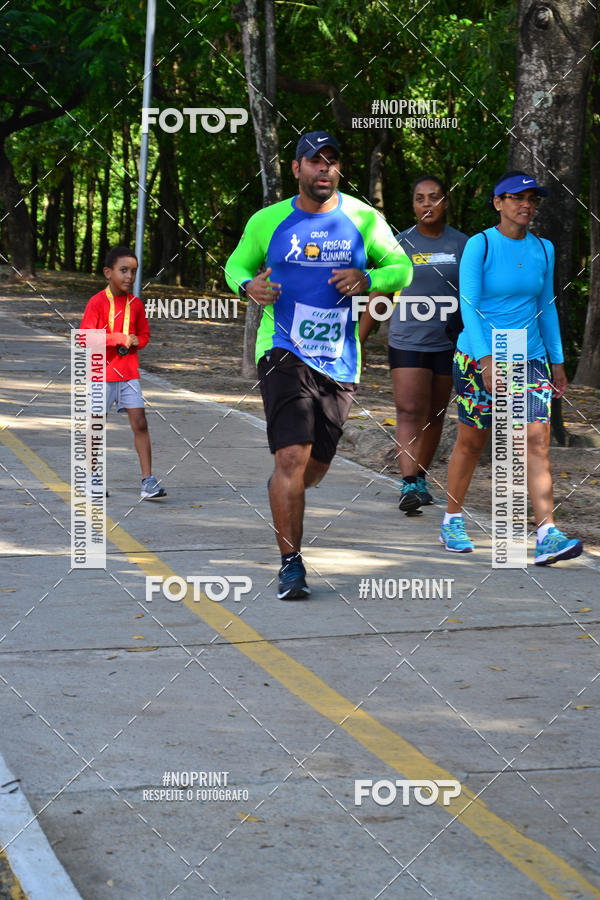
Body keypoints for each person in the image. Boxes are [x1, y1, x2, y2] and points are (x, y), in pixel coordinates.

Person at [225, 131, 413, 599]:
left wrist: (368, 276)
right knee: (291, 456)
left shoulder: (363, 218)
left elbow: (403, 268)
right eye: (314, 161)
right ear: (297, 169)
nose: (324, 169)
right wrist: (248, 286)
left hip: (339, 359)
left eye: (331, 161)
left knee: (311, 471)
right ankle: (291, 564)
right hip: (283, 347)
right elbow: (234, 266)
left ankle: (282, 491)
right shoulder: (268, 221)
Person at [440, 171, 582, 565]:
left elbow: (546, 305)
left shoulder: (544, 248)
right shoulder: (480, 245)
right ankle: (452, 519)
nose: (527, 204)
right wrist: (486, 360)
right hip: (477, 357)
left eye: (533, 198)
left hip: (529, 357)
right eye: (517, 197)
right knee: (473, 441)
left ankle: (547, 535)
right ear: (498, 202)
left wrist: (557, 360)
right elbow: (468, 304)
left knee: (536, 442)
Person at [359, 175, 467, 512]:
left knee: (435, 414)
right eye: (420, 198)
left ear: (445, 202)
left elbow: (474, 294)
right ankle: (408, 485)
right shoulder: (399, 244)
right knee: (408, 411)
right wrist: (358, 341)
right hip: (407, 340)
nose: (427, 204)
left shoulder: (464, 245)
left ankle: (420, 478)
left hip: (448, 343)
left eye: (434, 197)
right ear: (413, 204)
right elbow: (381, 295)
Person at [80, 246, 166, 500]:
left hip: (128, 374)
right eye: (124, 270)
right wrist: (117, 338)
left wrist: (137, 341)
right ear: (108, 272)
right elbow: (85, 337)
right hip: (101, 373)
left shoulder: (136, 304)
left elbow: (144, 334)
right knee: (95, 426)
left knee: (140, 423)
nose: (129, 276)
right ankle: (91, 478)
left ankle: (148, 482)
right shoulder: (97, 302)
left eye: (134, 272)